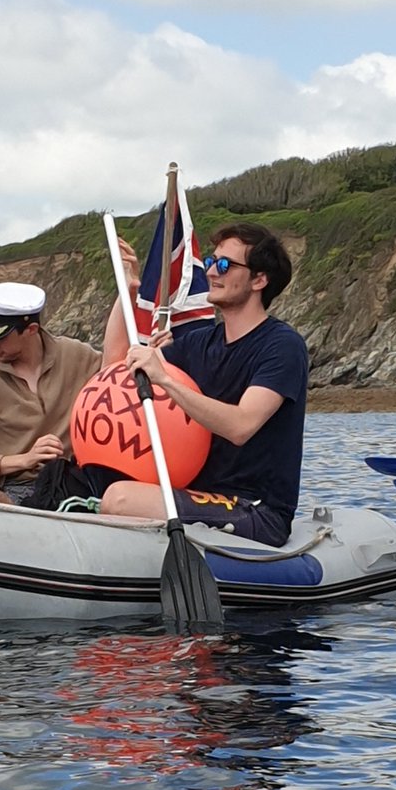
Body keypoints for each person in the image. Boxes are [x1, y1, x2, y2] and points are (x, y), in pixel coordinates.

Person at [98, 221, 308, 547]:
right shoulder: (199, 343)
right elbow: (115, 368)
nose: (212, 272)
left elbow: (241, 425)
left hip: (255, 509)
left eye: (225, 265)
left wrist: (165, 379)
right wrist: (128, 290)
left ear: (259, 279)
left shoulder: (282, 346)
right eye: (211, 262)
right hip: (200, 494)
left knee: (121, 499)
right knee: (103, 484)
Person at [0, 282, 101, 503]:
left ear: (31, 330)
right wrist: (24, 460)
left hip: (71, 481)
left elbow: (118, 369)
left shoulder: (79, 356)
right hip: (9, 490)